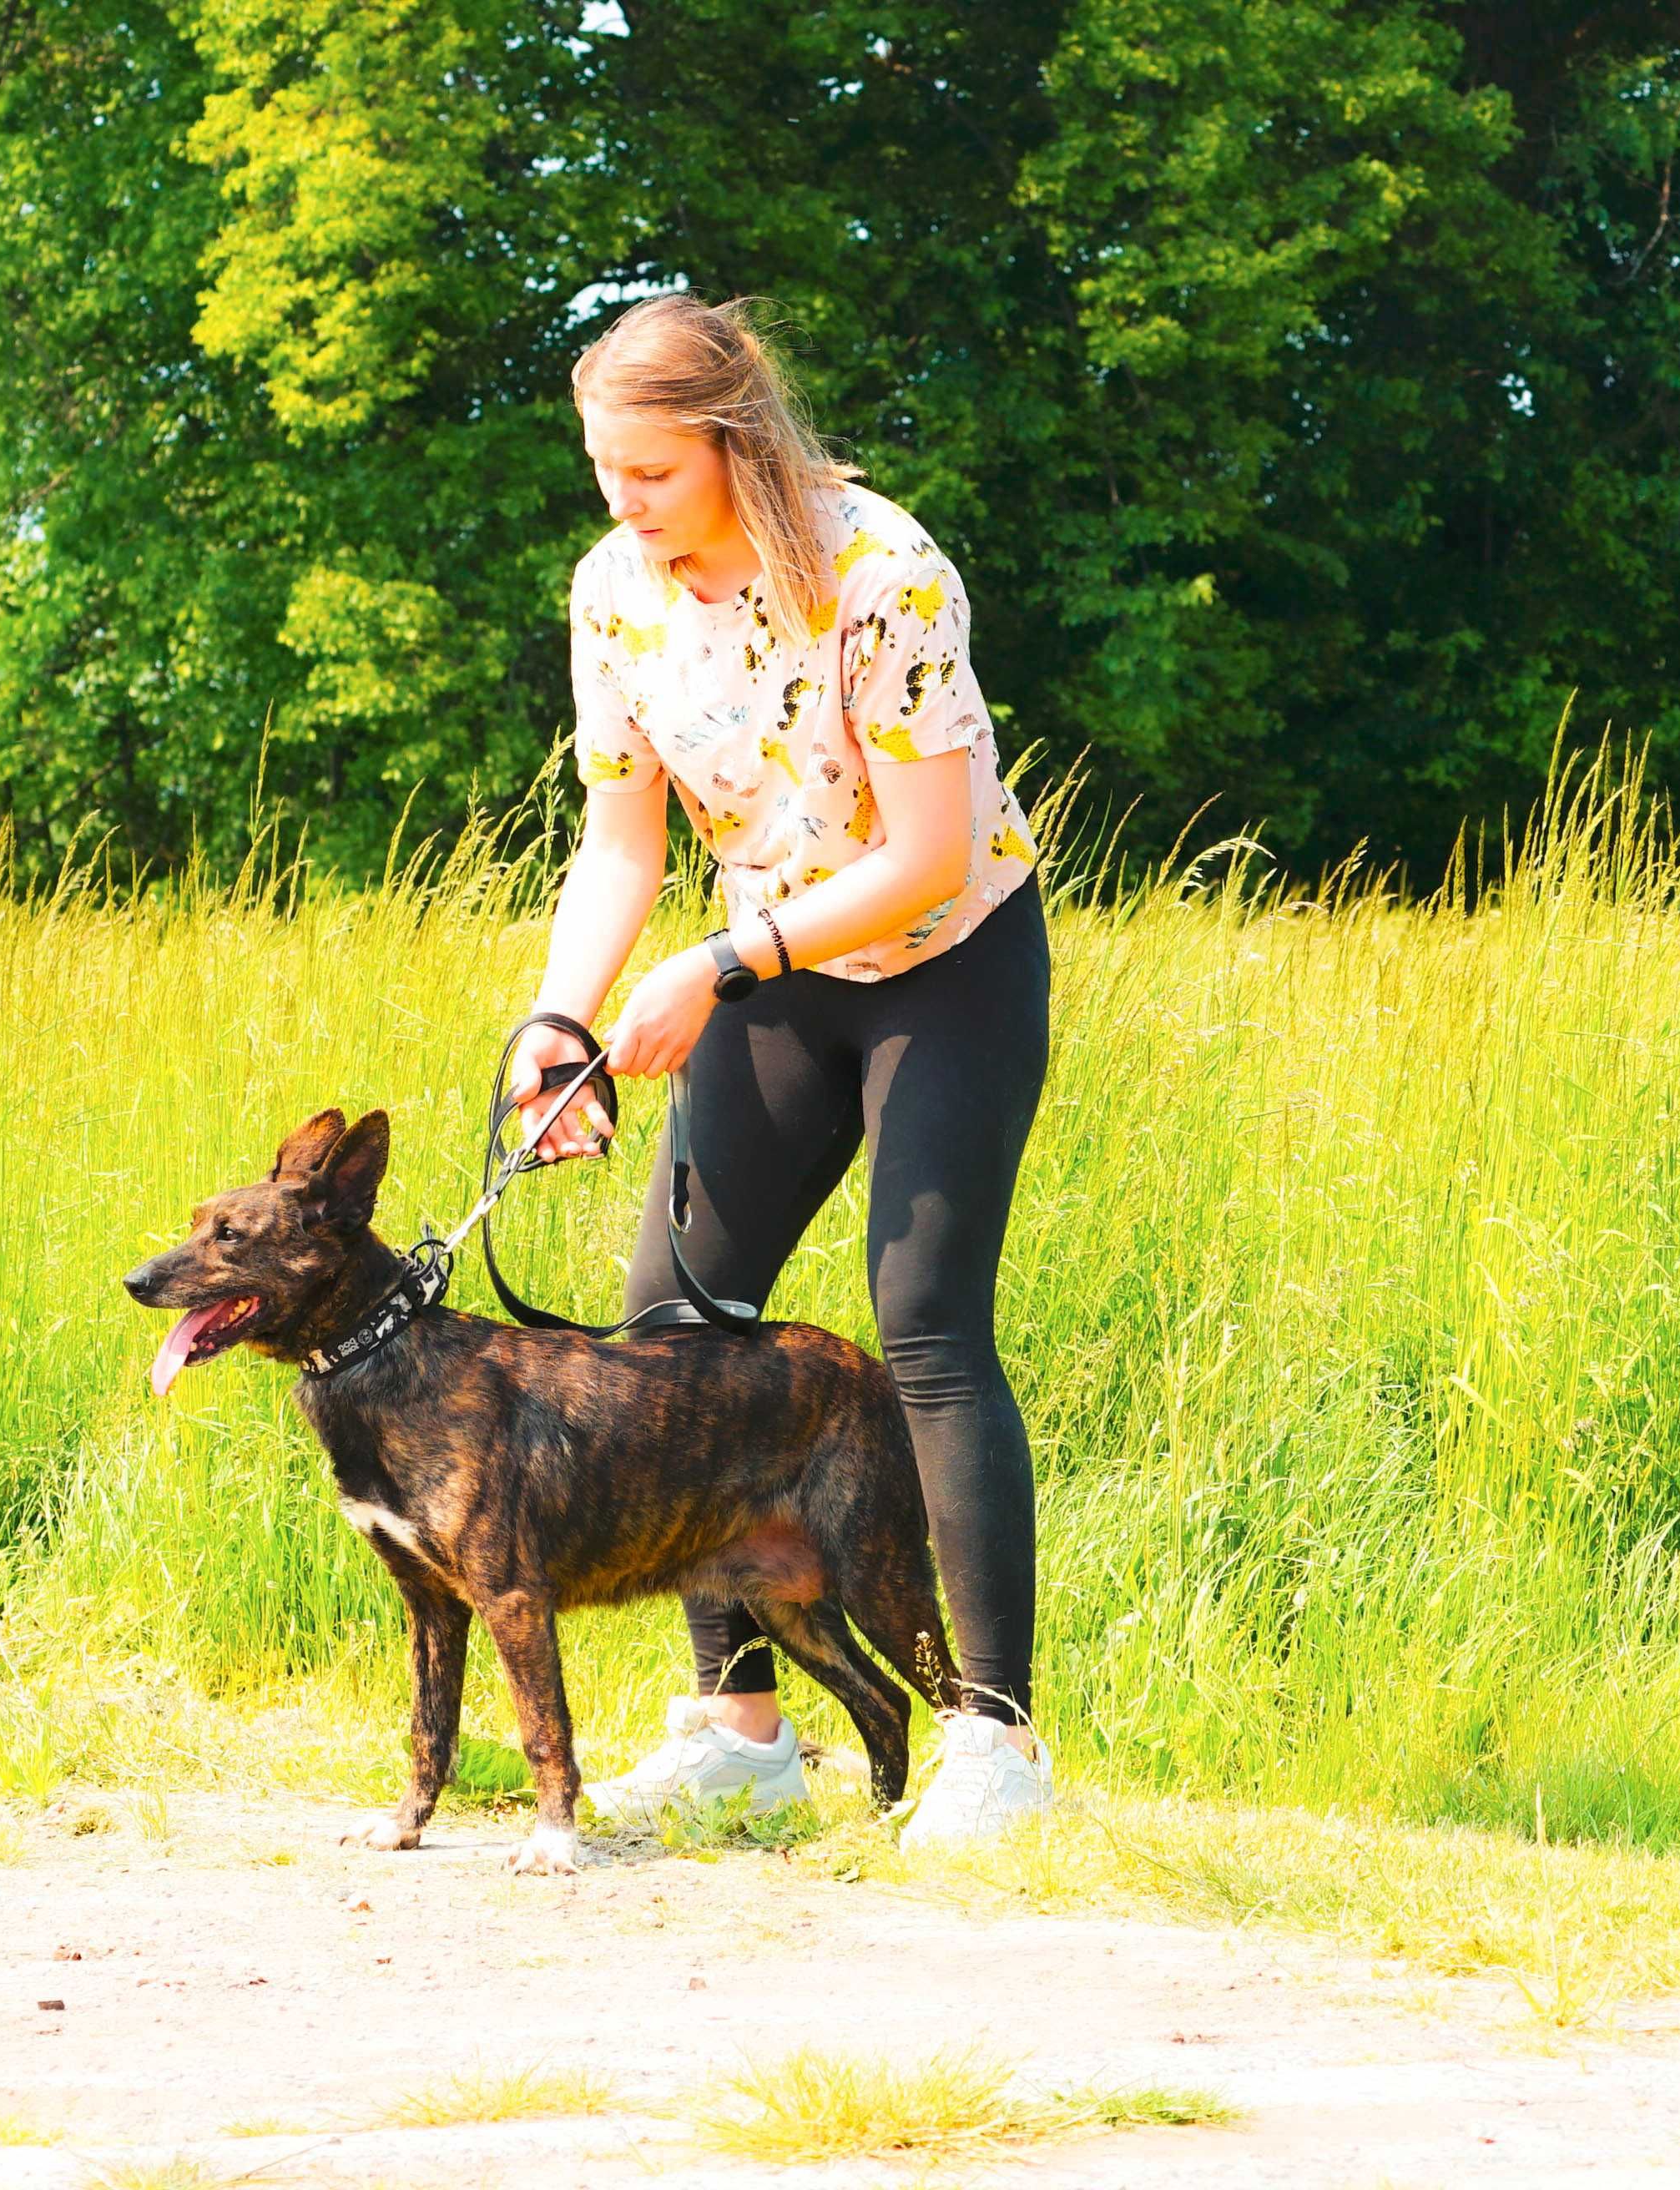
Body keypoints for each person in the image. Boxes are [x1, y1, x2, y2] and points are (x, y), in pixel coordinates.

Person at [507, 293, 1053, 1847]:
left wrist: (716, 966)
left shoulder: (883, 574)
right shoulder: (613, 593)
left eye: (655, 475)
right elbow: (622, 839)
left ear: (737, 445)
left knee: (925, 1327)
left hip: (942, 962)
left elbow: (927, 854)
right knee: (673, 1328)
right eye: (606, 473)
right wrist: (559, 1023)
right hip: (769, 962)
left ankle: (993, 1747)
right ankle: (740, 1731)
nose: (625, 506)